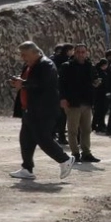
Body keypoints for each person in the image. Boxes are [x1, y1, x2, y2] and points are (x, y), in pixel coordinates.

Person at [12, 42, 74, 181]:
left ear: (35, 52)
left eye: (25, 55)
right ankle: (27, 168)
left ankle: (65, 160)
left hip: (43, 110)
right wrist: (19, 81)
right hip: (30, 109)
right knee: (26, 140)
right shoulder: (30, 65)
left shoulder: (46, 65)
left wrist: (23, 83)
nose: (23, 58)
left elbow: (42, 84)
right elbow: (29, 81)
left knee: (43, 138)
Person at [58, 43, 102, 164]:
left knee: (87, 129)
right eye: (78, 52)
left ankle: (86, 153)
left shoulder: (90, 66)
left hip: (87, 102)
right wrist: (62, 98)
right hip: (73, 102)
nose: (81, 54)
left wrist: (96, 83)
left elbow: (95, 79)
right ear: (74, 53)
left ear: (86, 53)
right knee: (73, 130)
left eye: (83, 52)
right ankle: (75, 153)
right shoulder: (67, 66)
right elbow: (61, 84)